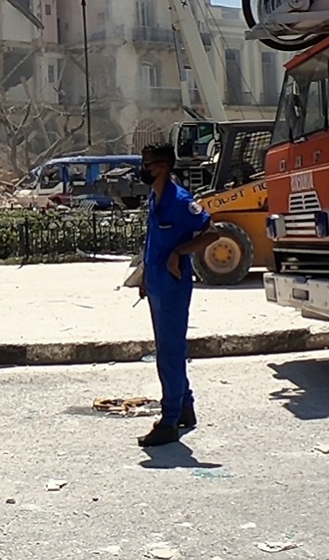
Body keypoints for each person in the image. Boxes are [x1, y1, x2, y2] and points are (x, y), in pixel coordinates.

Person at [134, 141, 218, 447]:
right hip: (156, 283)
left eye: (149, 164)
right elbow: (153, 240)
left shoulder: (181, 200)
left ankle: (168, 421)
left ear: (164, 166)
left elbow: (212, 232)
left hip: (173, 285)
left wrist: (179, 252)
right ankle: (184, 407)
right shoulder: (155, 198)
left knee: (168, 354)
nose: (144, 169)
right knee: (168, 349)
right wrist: (144, 275)